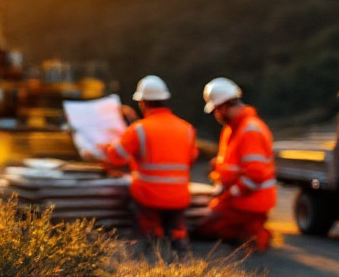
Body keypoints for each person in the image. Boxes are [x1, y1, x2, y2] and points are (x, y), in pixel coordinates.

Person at [92, 75, 197, 257]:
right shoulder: (186, 128)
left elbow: (116, 156)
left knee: (141, 212)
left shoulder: (139, 129)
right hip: (179, 198)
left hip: (149, 198)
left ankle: (149, 240)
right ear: (165, 100)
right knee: (176, 224)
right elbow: (191, 157)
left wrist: (102, 148)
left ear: (142, 103)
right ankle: (180, 245)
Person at [195, 77, 276, 251]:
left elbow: (254, 176)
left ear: (224, 106)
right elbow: (235, 162)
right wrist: (219, 166)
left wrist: (228, 194)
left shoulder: (250, 130)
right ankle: (247, 232)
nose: (216, 115)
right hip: (240, 200)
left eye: (216, 110)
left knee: (203, 228)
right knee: (206, 222)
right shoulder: (233, 128)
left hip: (247, 203)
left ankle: (254, 234)